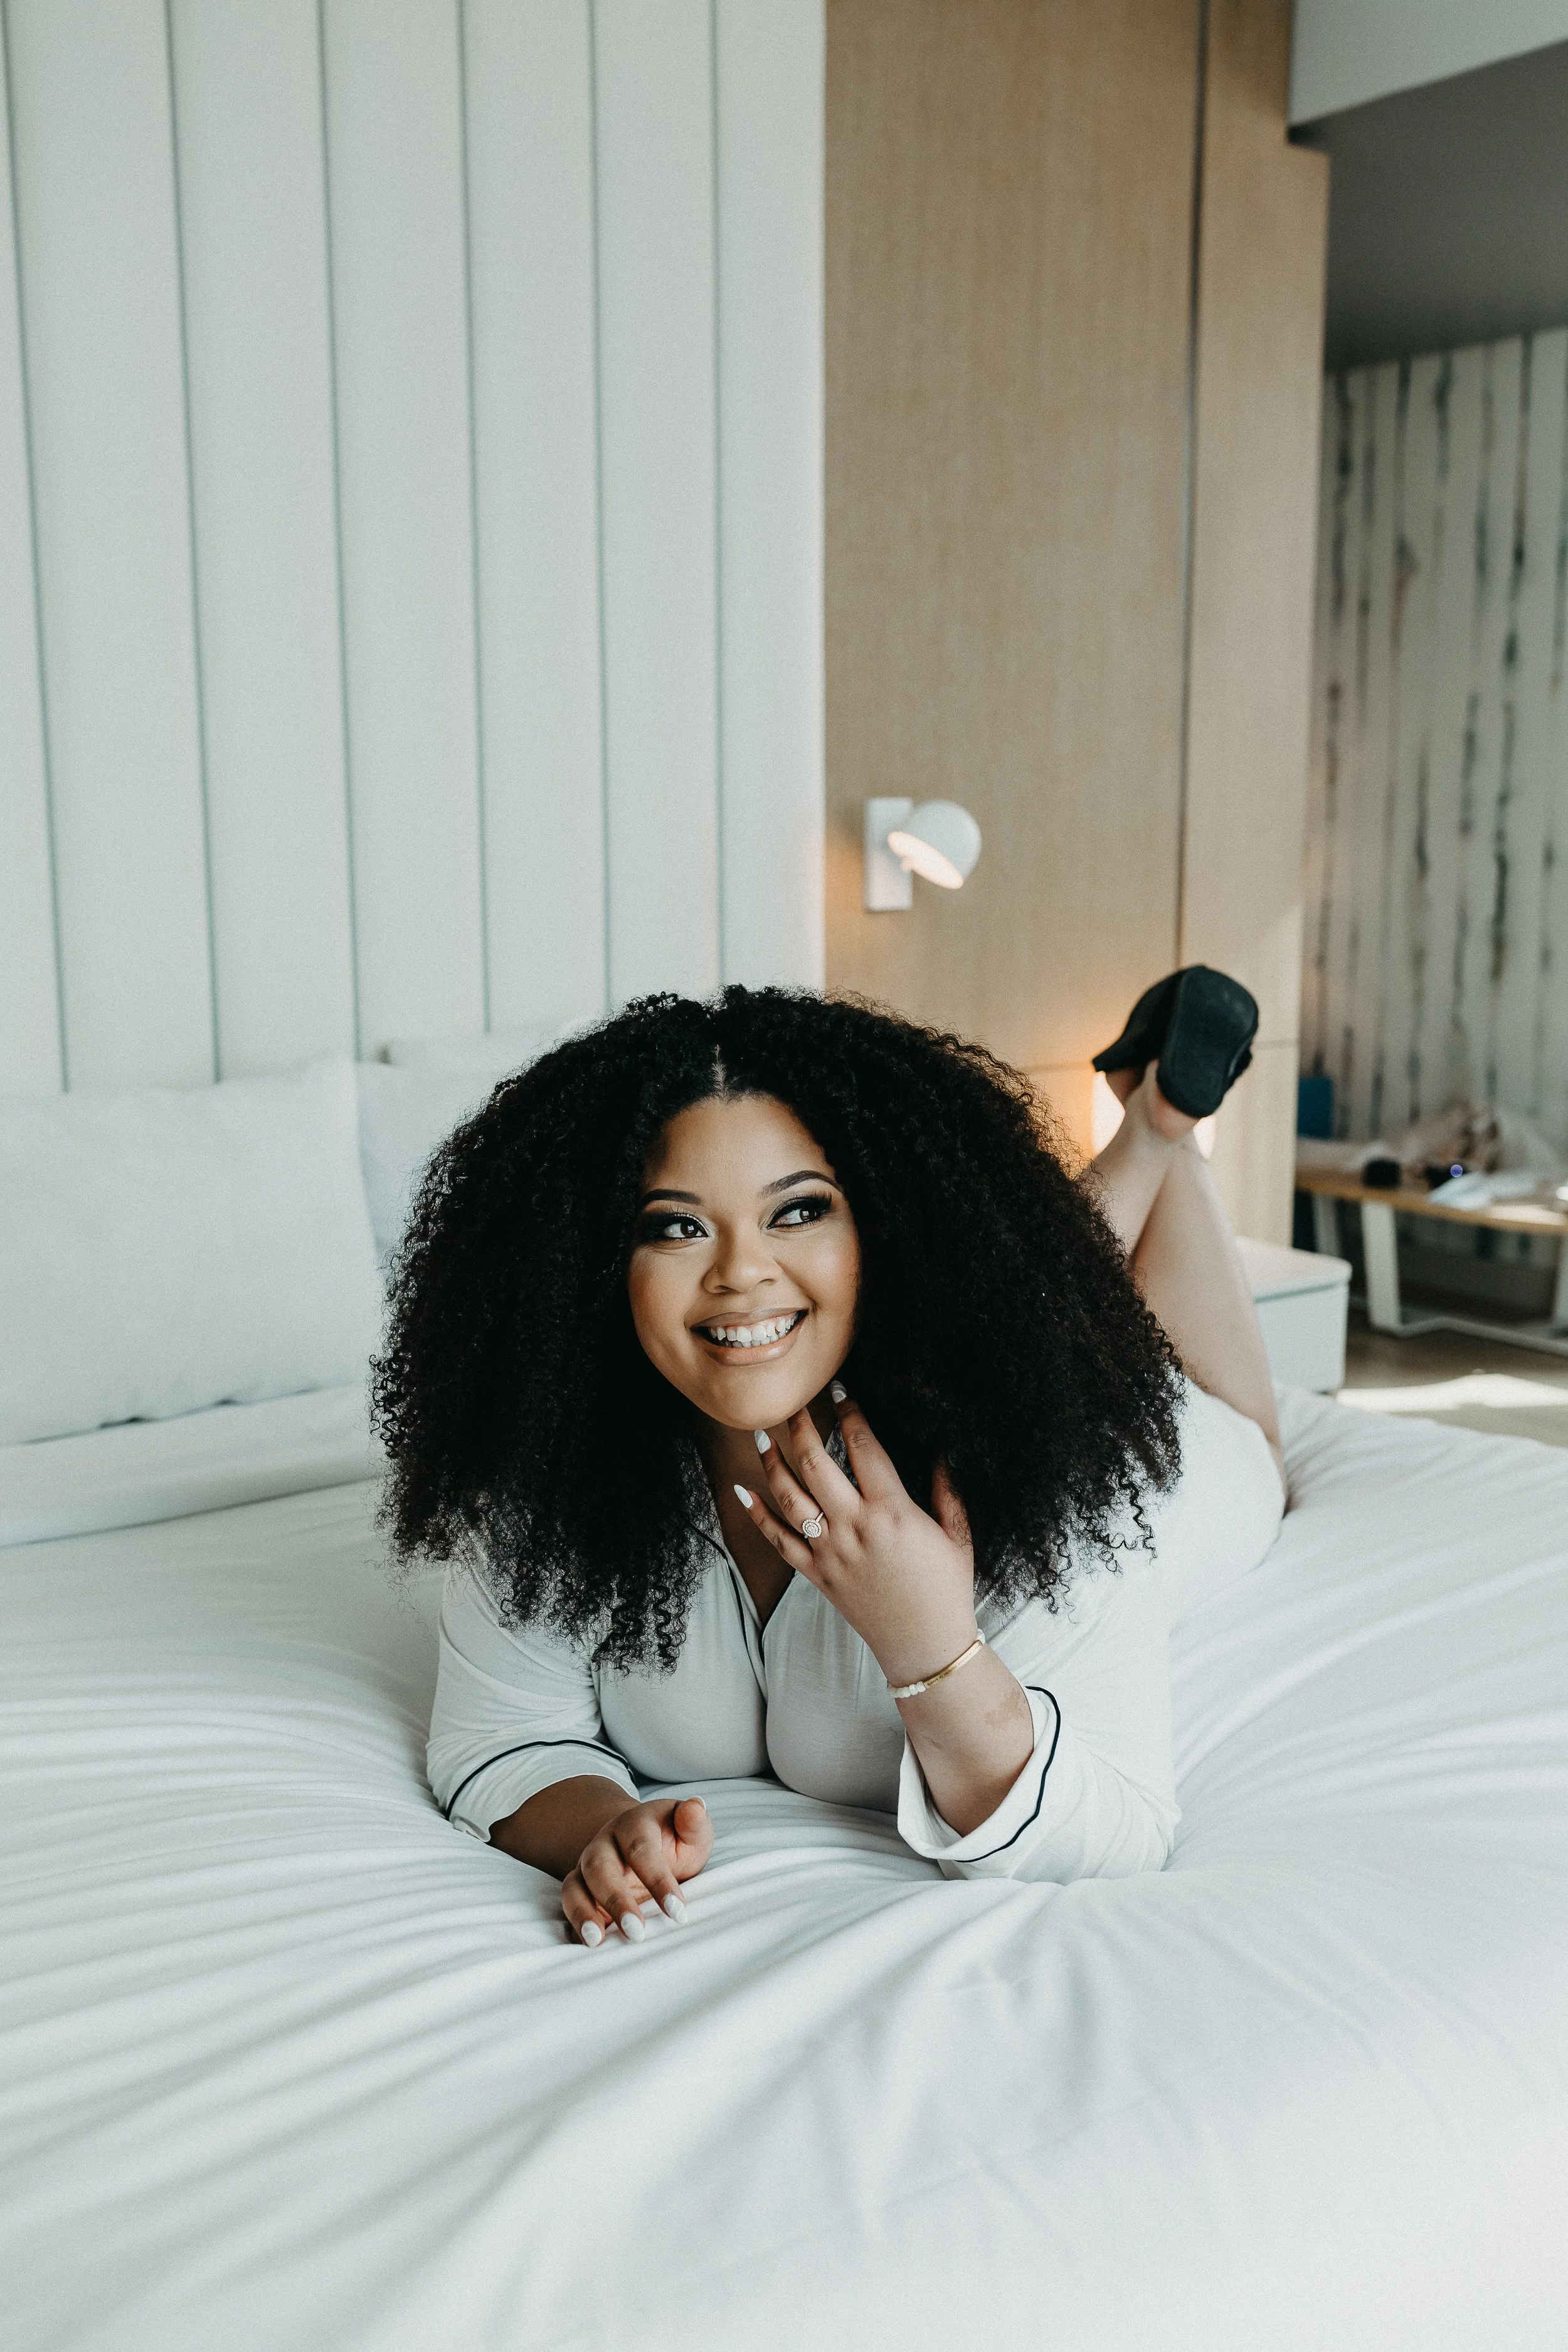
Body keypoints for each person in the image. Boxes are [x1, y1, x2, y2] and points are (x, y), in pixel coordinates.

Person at [374, 979, 1284, 1949]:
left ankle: (1161, 1133)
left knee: (1210, 1409)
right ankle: (1150, 1124)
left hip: (1181, 1462)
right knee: (1033, 1286)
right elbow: (498, 1738)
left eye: (799, 1210)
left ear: (884, 1226)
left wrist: (932, 1645)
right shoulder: (548, 1471)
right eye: (676, 1225)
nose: (739, 1272)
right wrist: (603, 1824)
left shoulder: (1058, 1477)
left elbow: (1119, 1831)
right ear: (595, 1258)